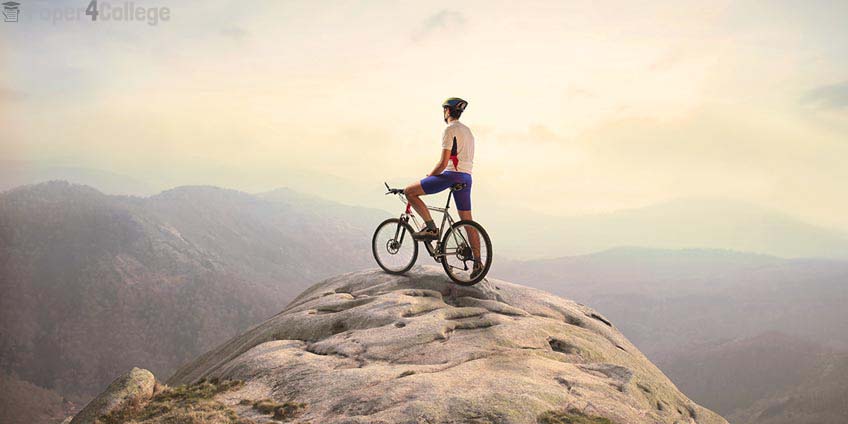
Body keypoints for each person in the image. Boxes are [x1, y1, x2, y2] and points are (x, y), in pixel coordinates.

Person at [403, 97, 482, 277]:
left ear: (447, 111)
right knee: (467, 220)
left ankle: (431, 228)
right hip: (466, 177)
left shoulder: (449, 129)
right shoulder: (468, 132)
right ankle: (478, 262)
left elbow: (443, 162)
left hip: (450, 175)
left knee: (410, 192)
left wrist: (430, 176)